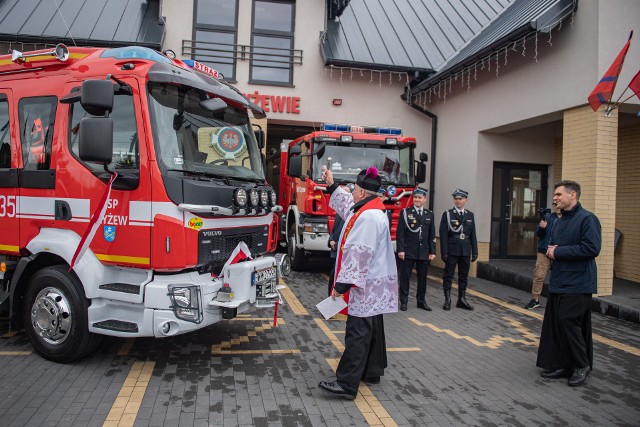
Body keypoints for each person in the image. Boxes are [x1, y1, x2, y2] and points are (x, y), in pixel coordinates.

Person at [318, 167, 398, 400]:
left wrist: (341, 286)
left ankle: (346, 383)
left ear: (362, 192)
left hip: (365, 284)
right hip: (373, 282)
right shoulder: (368, 209)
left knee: (358, 332)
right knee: (372, 328)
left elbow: (358, 254)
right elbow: (345, 205)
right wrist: (332, 184)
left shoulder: (368, 217)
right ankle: (372, 371)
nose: (350, 193)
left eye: (353, 189)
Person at [537, 180, 601, 387]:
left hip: (579, 282)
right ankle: (566, 365)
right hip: (560, 280)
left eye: (558, 194)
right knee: (557, 324)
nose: (554, 198)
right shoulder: (559, 220)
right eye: (555, 195)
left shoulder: (588, 219)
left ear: (572, 195)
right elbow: (553, 245)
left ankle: (582, 365)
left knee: (567, 320)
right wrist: (550, 249)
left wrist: (558, 251)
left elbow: (592, 248)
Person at [396, 187, 436, 311]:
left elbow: (431, 234)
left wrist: (432, 251)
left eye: (420, 198)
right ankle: (404, 301)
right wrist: (401, 249)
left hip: (423, 251)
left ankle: (421, 301)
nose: (417, 200)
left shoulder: (429, 214)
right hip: (409, 251)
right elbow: (400, 233)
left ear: (424, 199)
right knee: (405, 277)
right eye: (415, 197)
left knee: (422, 278)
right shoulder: (406, 212)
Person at [439, 189, 478, 311]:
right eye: (456, 199)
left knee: (463, 276)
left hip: (465, 249)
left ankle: (462, 299)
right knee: (448, 275)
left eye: (460, 199)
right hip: (452, 249)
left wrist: (475, 251)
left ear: (465, 200)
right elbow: (443, 234)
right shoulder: (448, 214)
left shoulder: (469, 215)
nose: (458, 201)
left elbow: (473, 234)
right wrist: (444, 251)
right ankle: (448, 299)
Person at [525, 203, 561, 310]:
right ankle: (535, 299)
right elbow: (538, 233)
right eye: (555, 204)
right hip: (544, 251)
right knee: (539, 275)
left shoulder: (568, 219)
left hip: (559, 252)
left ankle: (556, 301)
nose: (557, 206)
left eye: (558, 204)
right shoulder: (548, 217)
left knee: (558, 277)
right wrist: (542, 228)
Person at [328, 212, 345, 296]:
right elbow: (333, 231)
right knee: (332, 280)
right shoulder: (339, 214)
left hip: (343, 255)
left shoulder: (353, 215)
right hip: (336, 254)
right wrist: (330, 240)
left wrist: (336, 245)